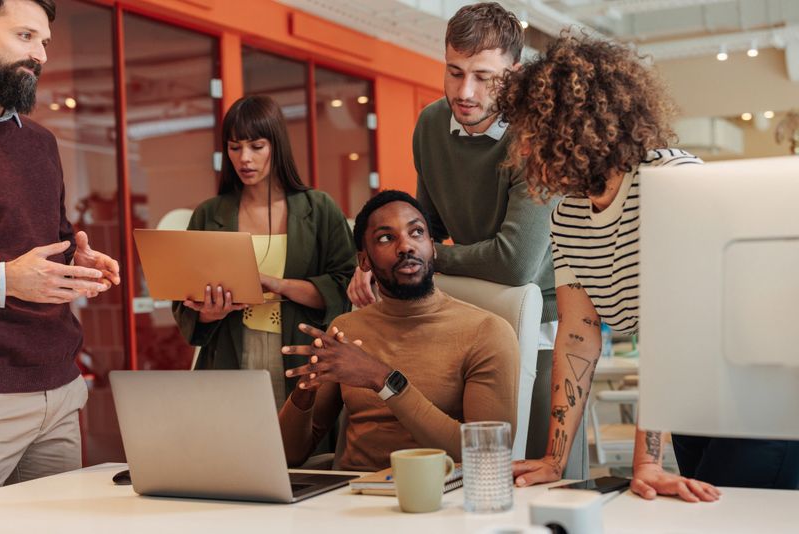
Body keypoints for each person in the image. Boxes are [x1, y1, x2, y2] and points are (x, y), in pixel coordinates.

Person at [496, 34, 799, 501]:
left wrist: (647, 462)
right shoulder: (569, 217)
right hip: (696, 399)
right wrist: (554, 459)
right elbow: (578, 336)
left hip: (764, 392)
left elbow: (673, 329)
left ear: (575, 126)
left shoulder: (672, 184)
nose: (524, 149)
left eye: (534, 133)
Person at [345, 2, 584, 478]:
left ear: (514, 74)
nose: (465, 91)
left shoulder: (538, 135)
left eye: (483, 76)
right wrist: (384, 262)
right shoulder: (431, 125)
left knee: (539, 471)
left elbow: (515, 264)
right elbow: (425, 228)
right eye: (454, 73)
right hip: (468, 313)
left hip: (547, 318)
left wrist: (427, 256)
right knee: (460, 467)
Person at [278, 190, 519, 471]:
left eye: (416, 232)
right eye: (386, 238)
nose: (405, 246)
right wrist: (303, 394)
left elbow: (486, 454)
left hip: (440, 499)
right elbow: (289, 456)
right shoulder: (345, 330)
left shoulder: (486, 332)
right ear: (364, 261)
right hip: (350, 499)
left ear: (433, 246)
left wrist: (380, 378)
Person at [0, 0, 121, 486]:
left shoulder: (39, 142)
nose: (41, 56)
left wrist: (78, 260)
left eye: (45, 42)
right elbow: (17, 268)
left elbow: (50, 237)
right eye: (25, 37)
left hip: (61, 387)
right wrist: (7, 279)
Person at [172, 95, 356, 408]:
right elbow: (186, 300)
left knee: (302, 448)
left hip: (301, 351)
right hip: (229, 354)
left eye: (256, 146)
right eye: (234, 147)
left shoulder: (320, 209)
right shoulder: (209, 213)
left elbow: (344, 286)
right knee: (234, 447)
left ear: (277, 145)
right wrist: (208, 312)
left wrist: (275, 284)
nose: (244, 158)